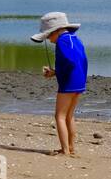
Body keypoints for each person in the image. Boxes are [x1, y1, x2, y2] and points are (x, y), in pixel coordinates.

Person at [31, 11, 87, 157]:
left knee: (59, 116)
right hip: (79, 82)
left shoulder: (62, 41)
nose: (49, 40)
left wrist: (58, 72)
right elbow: (80, 60)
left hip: (68, 83)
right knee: (69, 116)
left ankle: (65, 150)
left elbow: (70, 61)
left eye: (48, 35)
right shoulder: (75, 39)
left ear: (56, 31)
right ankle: (71, 147)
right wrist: (55, 72)